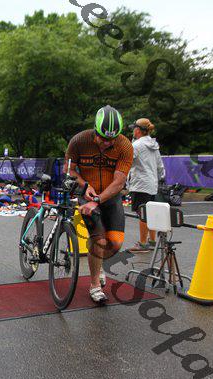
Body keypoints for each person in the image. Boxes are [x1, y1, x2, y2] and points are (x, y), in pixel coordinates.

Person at [65, 105, 133, 303]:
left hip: (110, 197)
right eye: (102, 138)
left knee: (115, 244)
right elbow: (69, 170)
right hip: (87, 194)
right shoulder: (79, 141)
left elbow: (119, 182)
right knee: (99, 241)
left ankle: (98, 261)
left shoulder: (125, 145)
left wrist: (98, 200)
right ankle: (95, 285)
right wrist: (84, 185)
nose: (106, 143)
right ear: (95, 131)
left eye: (111, 140)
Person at [126, 118, 165, 253]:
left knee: (142, 213)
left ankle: (143, 244)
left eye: (134, 129)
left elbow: (128, 162)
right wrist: (158, 179)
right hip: (152, 183)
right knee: (150, 213)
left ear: (138, 130)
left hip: (140, 184)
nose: (133, 131)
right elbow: (160, 166)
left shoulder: (136, 145)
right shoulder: (154, 144)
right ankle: (152, 241)